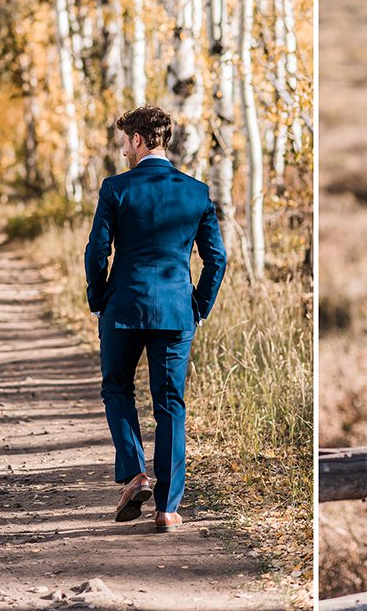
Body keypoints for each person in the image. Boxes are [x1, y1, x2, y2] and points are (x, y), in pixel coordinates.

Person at [84, 105, 227, 533]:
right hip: (175, 311)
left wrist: (99, 297)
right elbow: (216, 259)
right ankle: (167, 508)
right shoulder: (196, 192)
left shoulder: (116, 188)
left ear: (140, 140)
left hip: (123, 307)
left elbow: (96, 251)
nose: (123, 150)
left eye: (125, 141)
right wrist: (198, 304)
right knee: (170, 405)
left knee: (116, 388)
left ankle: (135, 473)